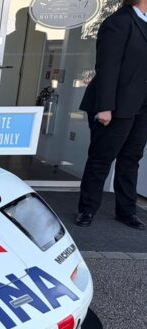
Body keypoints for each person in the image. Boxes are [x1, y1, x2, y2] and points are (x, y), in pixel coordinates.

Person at [76, 0, 147, 230]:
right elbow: (107, 66)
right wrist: (105, 107)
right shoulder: (119, 22)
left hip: (141, 107)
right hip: (115, 106)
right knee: (101, 159)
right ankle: (86, 209)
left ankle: (126, 212)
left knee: (131, 159)